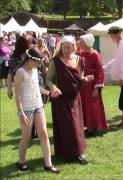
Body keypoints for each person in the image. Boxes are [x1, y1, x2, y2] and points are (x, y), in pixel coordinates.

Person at [46, 36, 94, 164]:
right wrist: (54, 87)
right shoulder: (55, 61)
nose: (67, 50)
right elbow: (48, 79)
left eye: (69, 47)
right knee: (66, 126)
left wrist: (84, 80)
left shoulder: (80, 60)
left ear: (74, 47)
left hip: (75, 98)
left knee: (76, 126)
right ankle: (66, 152)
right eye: (64, 47)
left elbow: (80, 77)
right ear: (60, 47)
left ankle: (77, 153)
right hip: (60, 99)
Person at [14, 48, 59, 173]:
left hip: (38, 106)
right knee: (26, 137)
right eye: (37, 62)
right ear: (30, 59)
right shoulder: (20, 72)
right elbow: (17, 95)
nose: (38, 65)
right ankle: (21, 161)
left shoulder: (34, 70)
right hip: (26, 109)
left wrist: (49, 92)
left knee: (44, 133)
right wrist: (21, 112)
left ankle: (48, 164)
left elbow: (36, 87)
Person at [78, 33, 107, 136]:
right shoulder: (80, 53)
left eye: (81, 41)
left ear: (86, 43)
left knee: (92, 106)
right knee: (84, 105)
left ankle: (93, 127)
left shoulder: (95, 54)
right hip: (83, 84)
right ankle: (86, 126)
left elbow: (100, 71)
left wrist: (96, 88)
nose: (79, 43)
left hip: (92, 85)